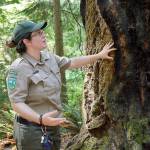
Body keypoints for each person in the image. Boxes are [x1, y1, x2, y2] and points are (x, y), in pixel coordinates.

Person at [6, 20, 116, 150]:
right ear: (26, 41)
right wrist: (40, 119)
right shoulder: (18, 68)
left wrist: (99, 55)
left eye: (42, 32)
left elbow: (73, 62)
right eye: (38, 33)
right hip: (31, 131)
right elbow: (16, 103)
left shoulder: (49, 58)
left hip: (52, 127)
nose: (43, 35)